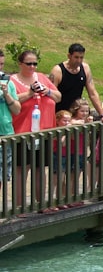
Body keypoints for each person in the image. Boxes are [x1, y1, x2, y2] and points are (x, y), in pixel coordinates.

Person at [10, 49, 61, 209]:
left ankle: (41, 204)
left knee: (41, 169)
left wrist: (48, 91)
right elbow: (11, 101)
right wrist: (29, 93)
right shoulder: (12, 81)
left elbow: (59, 96)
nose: (32, 66)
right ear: (20, 64)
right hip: (23, 133)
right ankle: (19, 206)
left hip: (44, 132)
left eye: (35, 63)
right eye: (29, 63)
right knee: (22, 170)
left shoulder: (42, 78)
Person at [49, 43, 103, 114]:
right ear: (69, 56)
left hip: (76, 113)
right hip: (59, 113)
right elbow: (50, 95)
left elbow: (92, 94)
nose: (79, 61)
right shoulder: (58, 71)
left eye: (81, 58)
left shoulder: (85, 68)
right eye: (76, 57)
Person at [0, 52, 22, 183]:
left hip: (5, 134)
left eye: (2, 64)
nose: (0, 68)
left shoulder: (9, 84)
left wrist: (6, 94)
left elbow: (17, 110)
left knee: (1, 178)